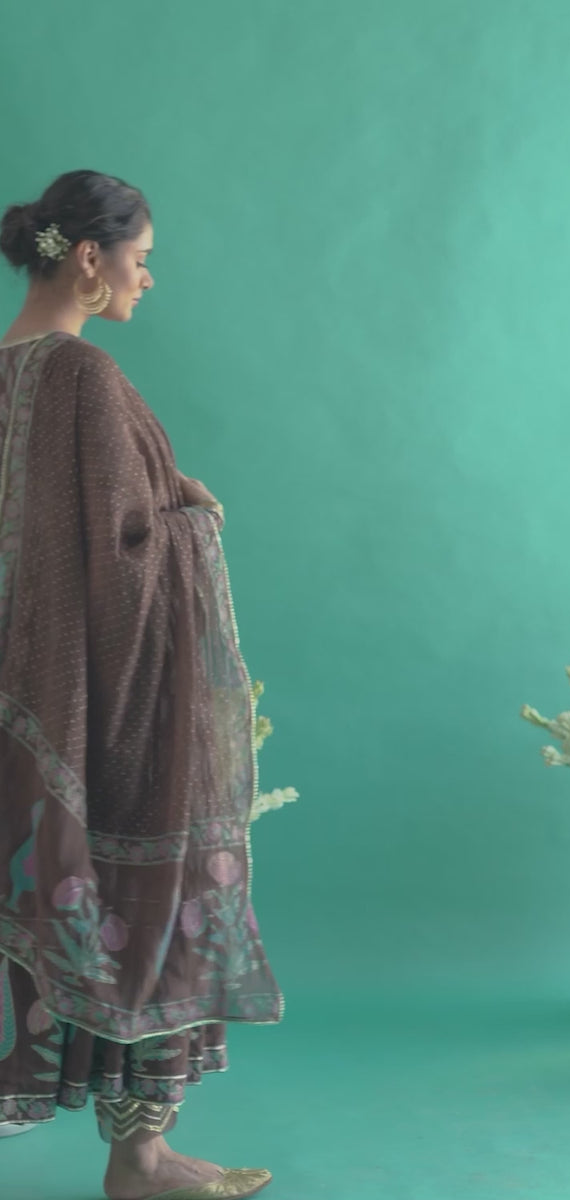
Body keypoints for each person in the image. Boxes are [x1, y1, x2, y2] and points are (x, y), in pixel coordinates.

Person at [0, 170, 284, 1200]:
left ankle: (143, 1156)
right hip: (98, 701)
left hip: (25, 698)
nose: (147, 277)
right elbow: (125, 557)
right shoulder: (83, 375)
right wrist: (192, 516)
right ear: (89, 256)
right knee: (147, 898)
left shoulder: (5, 372)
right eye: (141, 257)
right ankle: (141, 1159)